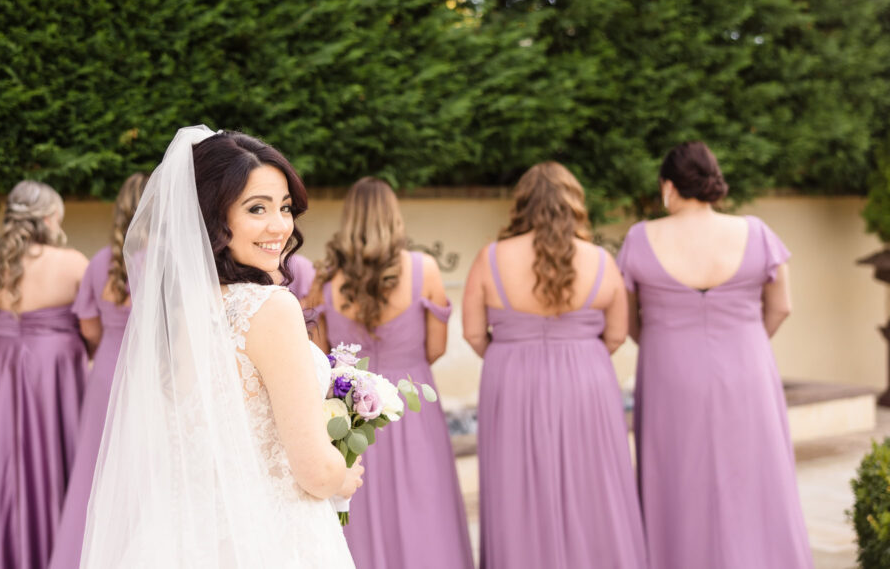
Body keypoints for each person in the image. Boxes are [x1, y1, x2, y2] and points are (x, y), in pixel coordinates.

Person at [80, 127, 362, 567]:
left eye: (285, 207)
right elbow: (313, 470)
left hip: (180, 534)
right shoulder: (271, 309)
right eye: (257, 208)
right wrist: (342, 476)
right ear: (213, 218)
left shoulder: (175, 309)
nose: (279, 226)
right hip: (270, 537)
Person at [616, 141, 811, 569]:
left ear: (668, 186)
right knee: (755, 477)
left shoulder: (639, 237)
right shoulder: (756, 232)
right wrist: (748, 340)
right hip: (747, 370)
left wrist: (660, 342)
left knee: (677, 480)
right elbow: (781, 306)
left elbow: (626, 319)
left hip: (669, 373)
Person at [462, 162, 647, 569]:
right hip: (587, 378)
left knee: (517, 487)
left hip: (511, 379)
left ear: (522, 204)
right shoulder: (601, 259)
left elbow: (474, 333)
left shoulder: (491, 257)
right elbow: (617, 334)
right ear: (574, 204)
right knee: (594, 485)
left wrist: (513, 350)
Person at [307, 177, 473, 569]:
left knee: (360, 508)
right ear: (393, 217)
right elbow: (435, 348)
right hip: (413, 408)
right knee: (426, 506)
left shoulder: (325, 281)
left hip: (352, 419)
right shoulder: (425, 270)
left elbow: (319, 362)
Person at [0, 180, 89, 569]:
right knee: (59, 460)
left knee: (8, 461)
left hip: (2, 363)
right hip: (54, 367)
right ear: (51, 217)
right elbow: (93, 329)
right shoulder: (73, 262)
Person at [48, 172, 148, 569]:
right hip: (148, 377)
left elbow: (88, 326)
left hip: (106, 371)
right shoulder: (170, 262)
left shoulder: (99, 263)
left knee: (94, 470)